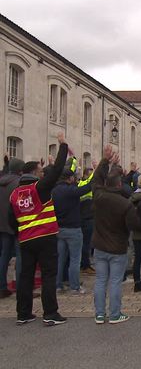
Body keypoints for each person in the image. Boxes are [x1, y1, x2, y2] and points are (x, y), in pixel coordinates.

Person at [8, 132, 68, 326]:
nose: (43, 173)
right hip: (45, 236)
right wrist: (63, 145)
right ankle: (50, 312)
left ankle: (23, 313)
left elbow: (11, 220)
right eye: (41, 170)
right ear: (34, 173)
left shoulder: (15, 194)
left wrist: (20, 233)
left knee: (25, 276)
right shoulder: (39, 188)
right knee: (49, 275)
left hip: (25, 239)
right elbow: (58, 169)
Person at [92, 146, 141, 324]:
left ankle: (99, 314)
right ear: (119, 184)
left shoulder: (98, 196)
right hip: (117, 246)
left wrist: (105, 161)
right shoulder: (125, 204)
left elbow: (95, 180)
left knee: (100, 281)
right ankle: (114, 314)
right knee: (114, 281)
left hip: (99, 245)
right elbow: (133, 225)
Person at [52, 166, 94, 294]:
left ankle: (58, 285)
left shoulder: (54, 191)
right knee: (75, 259)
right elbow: (88, 187)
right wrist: (98, 170)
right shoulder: (71, 190)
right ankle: (74, 286)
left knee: (60, 259)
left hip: (59, 228)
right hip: (73, 228)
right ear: (70, 178)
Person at [0, 157, 24, 298]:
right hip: (15, 224)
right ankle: (21, 288)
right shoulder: (18, 184)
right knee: (20, 256)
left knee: (4, 256)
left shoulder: (2, 180)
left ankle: (2, 286)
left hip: (2, 225)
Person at [79, 166, 96, 275]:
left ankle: (85, 264)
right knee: (86, 244)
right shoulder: (83, 185)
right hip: (86, 218)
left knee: (86, 244)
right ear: (85, 175)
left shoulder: (81, 184)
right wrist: (97, 169)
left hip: (86, 216)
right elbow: (92, 181)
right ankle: (85, 265)